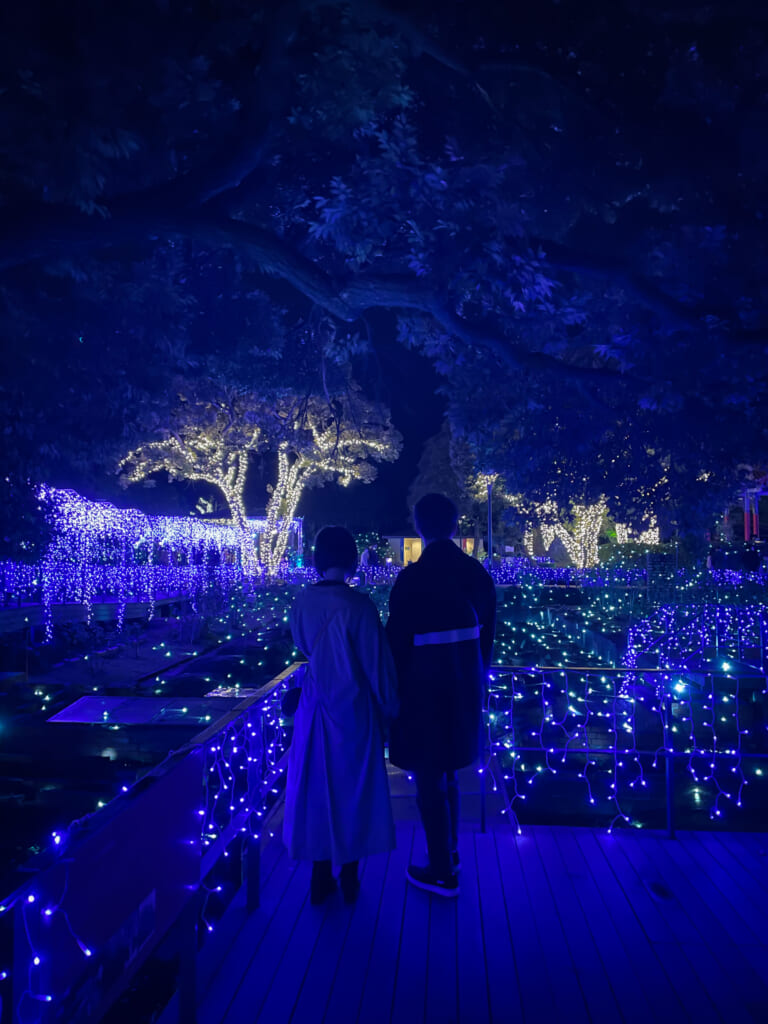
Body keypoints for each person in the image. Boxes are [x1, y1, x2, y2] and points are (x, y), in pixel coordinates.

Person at [386, 493, 496, 897]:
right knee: (450, 772)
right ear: (454, 526)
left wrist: (392, 696)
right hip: (465, 689)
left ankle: (442, 870)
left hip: (422, 695)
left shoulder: (412, 578)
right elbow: (488, 641)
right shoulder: (477, 575)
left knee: (428, 779)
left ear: (419, 527)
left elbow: (395, 645)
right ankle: (449, 852)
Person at [285, 526, 399, 905]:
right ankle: (350, 875)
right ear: (352, 559)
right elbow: (378, 666)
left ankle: (319, 873)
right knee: (354, 790)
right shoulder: (360, 606)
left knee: (315, 789)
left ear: (318, 559)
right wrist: (391, 709)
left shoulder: (301, 603)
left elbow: (303, 646)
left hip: (314, 708)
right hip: (354, 711)